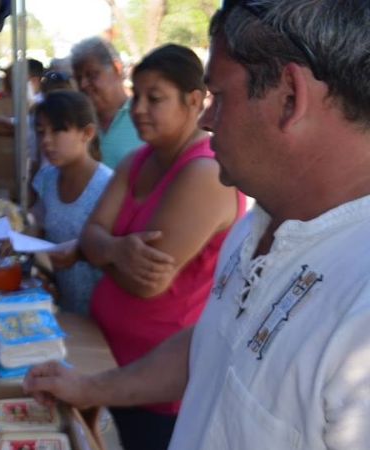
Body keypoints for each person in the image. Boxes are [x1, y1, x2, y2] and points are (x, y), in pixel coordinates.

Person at [25, 1, 370, 449]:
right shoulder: (258, 224)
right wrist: (89, 388)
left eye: (218, 97)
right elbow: (212, 344)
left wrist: (102, 250)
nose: (206, 119)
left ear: (290, 97)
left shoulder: (360, 318)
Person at [51, 44, 245, 450]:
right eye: (136, 95)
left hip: (157, 387)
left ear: (194, 101)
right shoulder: (137, 161)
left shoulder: (204, 173)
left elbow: (146, 283)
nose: (138, 108)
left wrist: (100, 249)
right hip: (107, 359)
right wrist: (116, 251)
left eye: (154, 98)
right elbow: (90, 234)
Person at [31, 91, 113, 314]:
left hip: (98, 314)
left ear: (87, 133)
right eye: (41, 132)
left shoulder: (109, 186)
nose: (46, 141)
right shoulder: (47, 178)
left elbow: (114, 252)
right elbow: (38, 221)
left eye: (57, 130)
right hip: (60, 307)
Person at [70, 37, 144, 170]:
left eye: (91, 75)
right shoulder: (74, 122)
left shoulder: (143, 116)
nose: (83, 84)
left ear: (117, 68)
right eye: (78, 78)